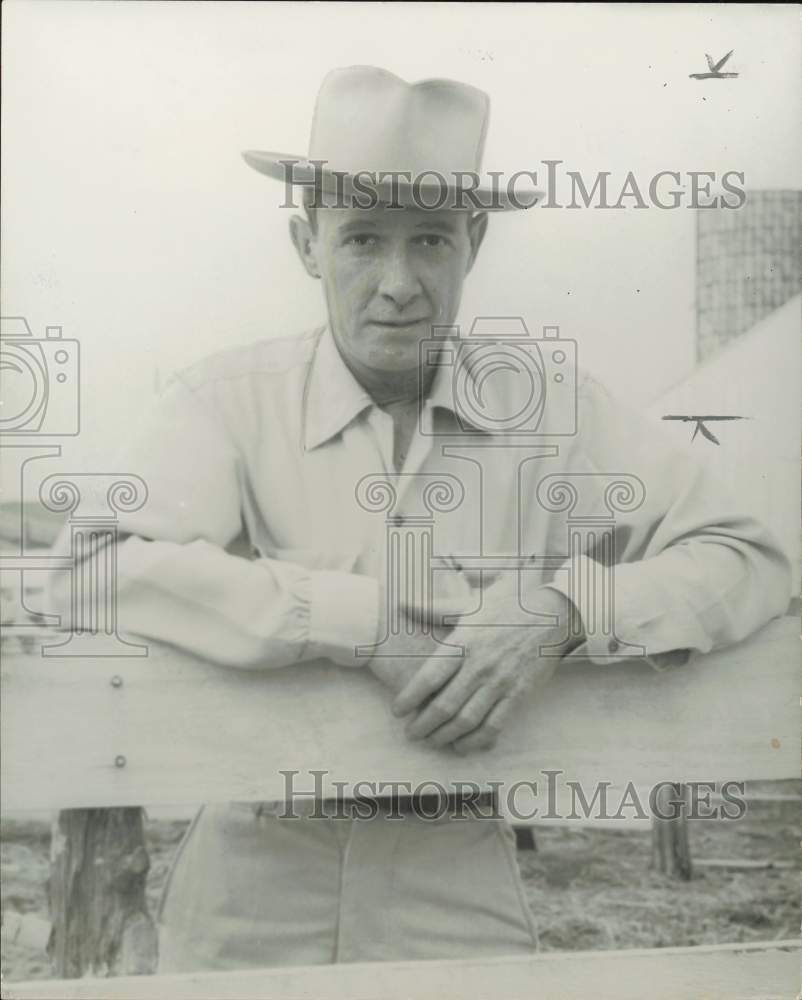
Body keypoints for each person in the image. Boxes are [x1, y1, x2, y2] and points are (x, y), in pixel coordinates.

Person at [49, 65, 790, 971]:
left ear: (473, 242)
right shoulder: (225, 403)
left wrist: (564, 611)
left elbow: (748, 554)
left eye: (430, 241)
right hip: (251, 884)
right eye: (362, 238)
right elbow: (87, 569)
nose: (398, 283)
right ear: (306, 243)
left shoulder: (548, 409)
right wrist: (357, 624)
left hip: (459, 877)